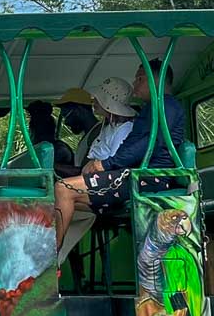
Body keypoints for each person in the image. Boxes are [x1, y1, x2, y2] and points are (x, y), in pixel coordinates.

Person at [54, 61, 187, 251]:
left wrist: (107, 164)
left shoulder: (167, 105)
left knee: (63, 188)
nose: (135, 84)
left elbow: (151, 142)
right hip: (133, 175)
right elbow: (132, 144)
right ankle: (56, 256)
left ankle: (48, 261)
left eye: (139, 79)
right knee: (59, 198)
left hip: (148, 178)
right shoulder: (150, 109)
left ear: (154, 81)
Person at [52, 77, 136, 251]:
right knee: (56, 200)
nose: (93, 101)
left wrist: (96, 166)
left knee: (62, 188)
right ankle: (60, 255)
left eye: (97, 98)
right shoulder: (109, 127)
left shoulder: (125, 128)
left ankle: (52, 251)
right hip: (98, 182)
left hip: (113, 184)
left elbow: (113, 165)